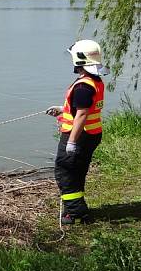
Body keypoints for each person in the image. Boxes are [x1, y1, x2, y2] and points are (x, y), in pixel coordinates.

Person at [46, 39, 107, 225]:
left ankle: (75, 212)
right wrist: (63, 110)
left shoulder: (82, 86)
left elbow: (81, 115)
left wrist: (71, 142)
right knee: (77, 171)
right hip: (91, 134)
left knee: (65, 172)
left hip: (80, 136)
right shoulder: (93, 81)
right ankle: (74, 208)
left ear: (79, 60)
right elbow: (83, 109)